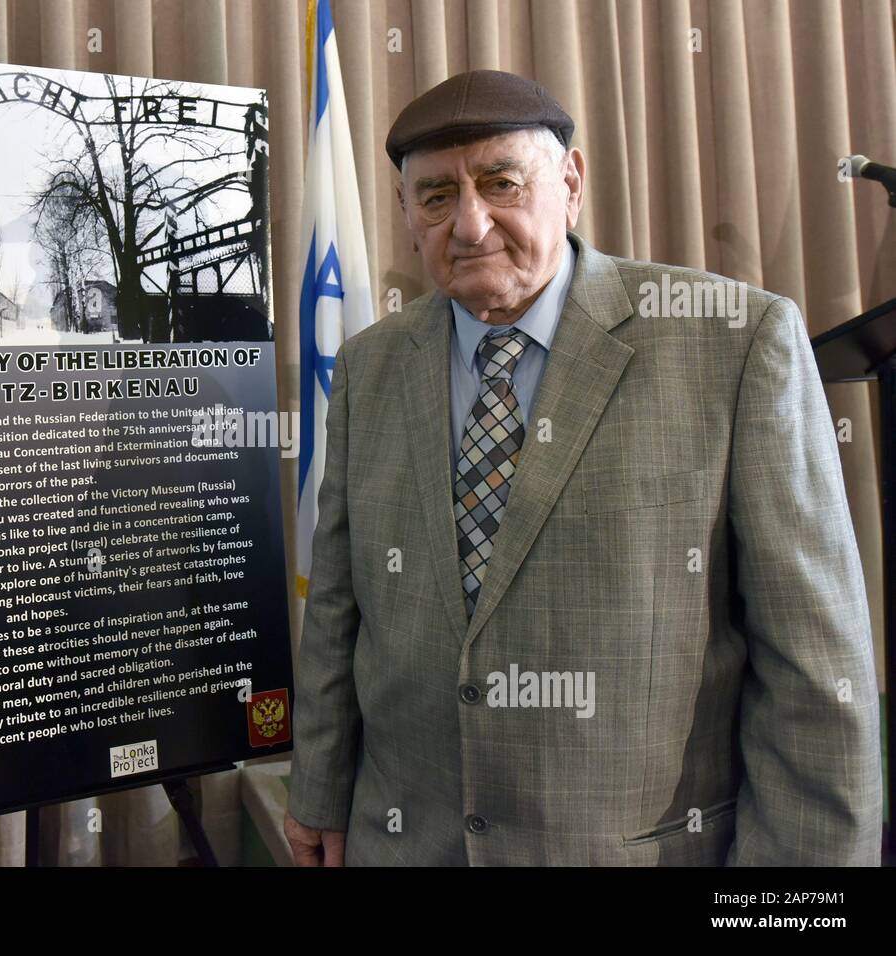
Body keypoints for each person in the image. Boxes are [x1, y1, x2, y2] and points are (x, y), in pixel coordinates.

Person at [284, 69, 883, 866]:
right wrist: (320, 789)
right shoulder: (370, 367)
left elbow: (813, 671)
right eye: (435, 197)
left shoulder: (737, 343)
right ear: (404, 212)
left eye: (500, 183)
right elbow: (336, 607)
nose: (469, 224)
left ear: (569, 184)